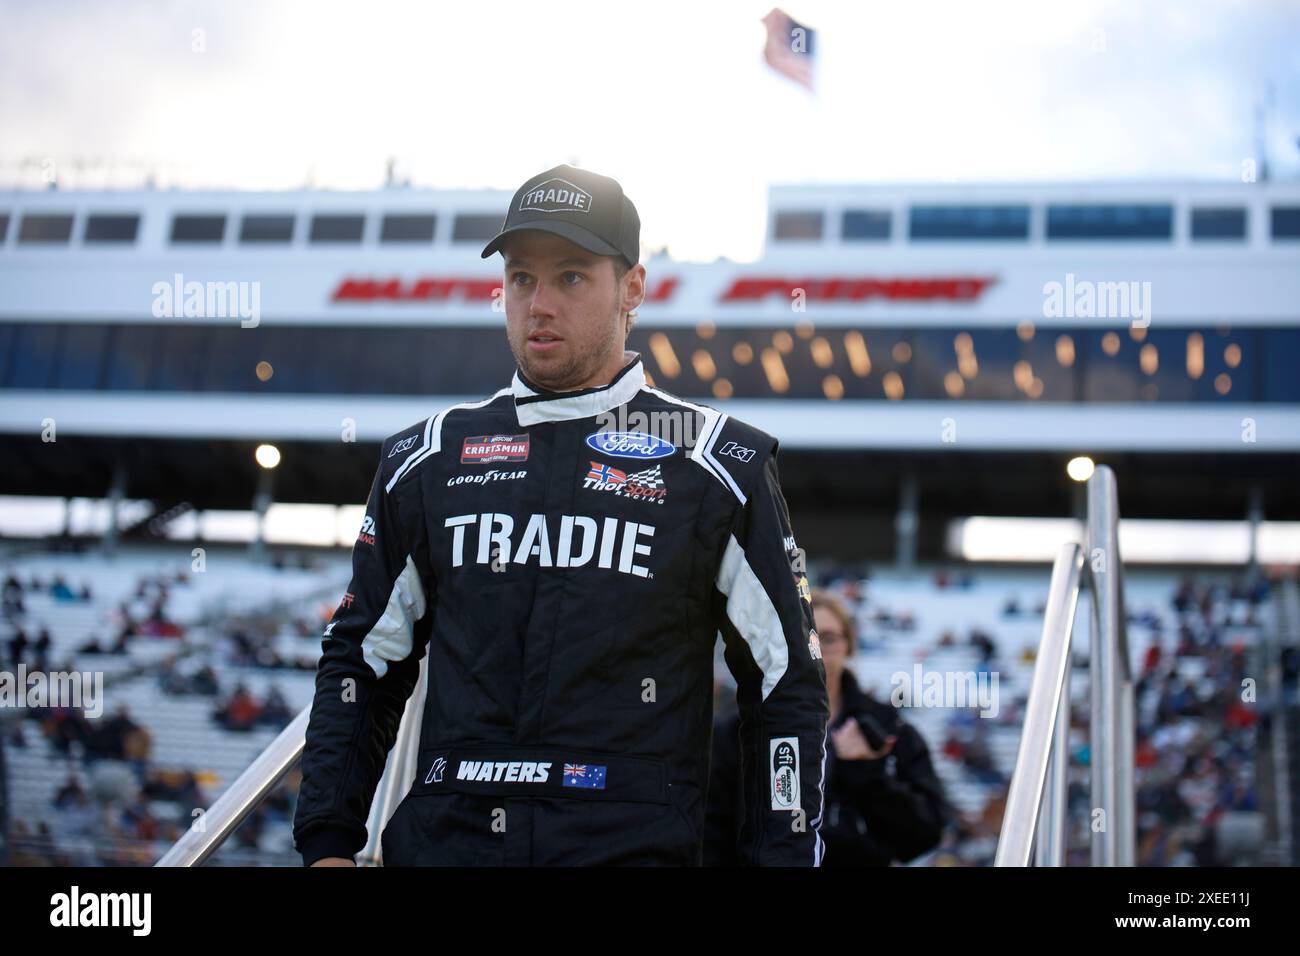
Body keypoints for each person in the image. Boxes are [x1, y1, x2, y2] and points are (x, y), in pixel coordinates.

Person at [292, 164, 829, 867]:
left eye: (571, 277)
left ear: (633, 288)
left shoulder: (716, 464)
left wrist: (782, 860)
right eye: (521, 279)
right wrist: (328, 842)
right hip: (445, 846)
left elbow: (783, 683)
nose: (539, 304)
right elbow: (362, 659)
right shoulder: (428, 459)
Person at [707, 588, 945, 865]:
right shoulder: (738, 730)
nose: (816, 650)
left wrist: (869, 775)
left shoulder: (890, 729)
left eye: (828, 639)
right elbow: (710, 832)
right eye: (805, 634)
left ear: (849, 646)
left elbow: (925, 834)